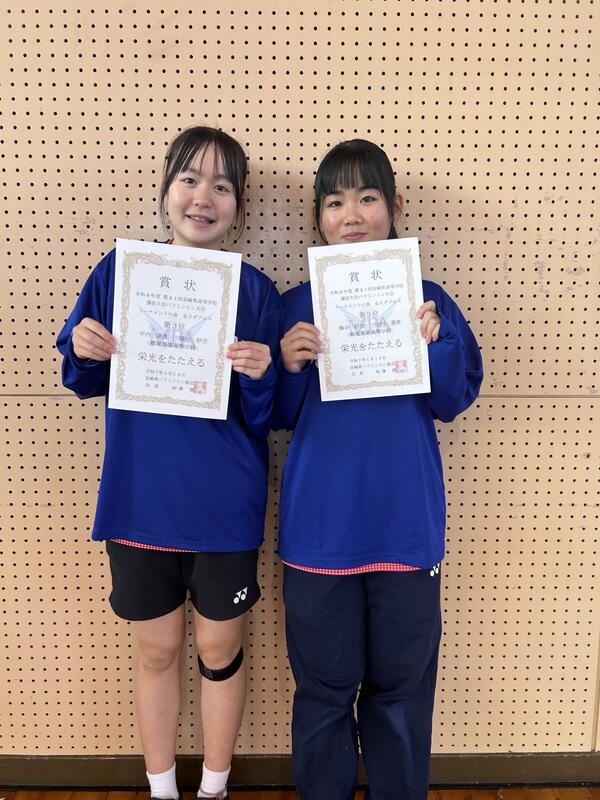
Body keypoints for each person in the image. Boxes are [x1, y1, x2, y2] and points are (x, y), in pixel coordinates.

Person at [57, 126, 283, 800]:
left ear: (239, 206)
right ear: (165, 193)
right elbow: (81, 373)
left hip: (224, 508)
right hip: (140, 501)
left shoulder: (255, 291)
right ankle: (160, 790)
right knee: (155, 650)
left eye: (222, 186)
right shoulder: (122, 273)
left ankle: (215, 787)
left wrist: (261, 374)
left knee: (219, 650)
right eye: (189, 179)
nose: (203, 197)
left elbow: (268, 415)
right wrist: (82, 345)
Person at [274, 139, 483, 800]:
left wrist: (437, 341)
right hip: (319, 537)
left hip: (405, 532)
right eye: (335, 201)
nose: (352, 214)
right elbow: (270, 415)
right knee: (323, 694)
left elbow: (454, 398)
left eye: (367, 197)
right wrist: (289, 364)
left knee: (400, 695)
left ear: (394, 206)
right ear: (317, 216)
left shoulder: (427, 300)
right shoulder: (295, 305)